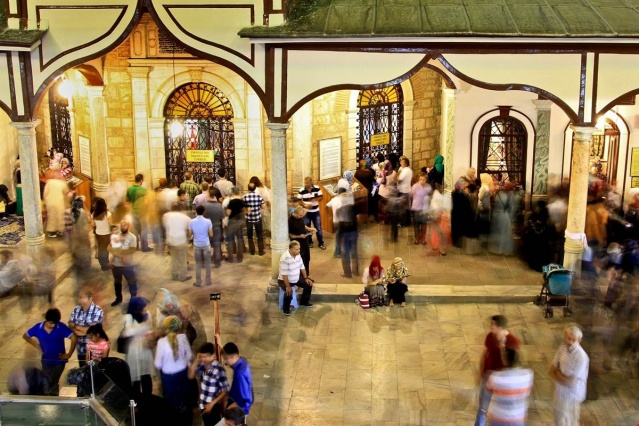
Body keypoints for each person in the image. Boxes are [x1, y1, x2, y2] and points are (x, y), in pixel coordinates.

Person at [475, 315, 521, 426]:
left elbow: (511, 364)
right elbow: (484, 354)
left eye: (492, 325)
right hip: (488, 375)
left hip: (503, 381)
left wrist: (502, 347)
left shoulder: (513, 342)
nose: (490, 327)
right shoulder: (490, 337)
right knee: (482, 408)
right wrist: (480, 372)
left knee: (501, 409)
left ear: (499, 328)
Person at [23, 308, 77, 395]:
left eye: (55, 323)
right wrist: (37, 345)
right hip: (45, 361)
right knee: (46, 382)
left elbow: (73, 338)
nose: (53, 325)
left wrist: (69, 354)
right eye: (51, 323)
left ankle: (54, 398)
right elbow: (26, 336)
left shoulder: (61, 327)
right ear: (46, 320)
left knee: (53, 382)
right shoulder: (38, 328)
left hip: (59, 361)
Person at [155, 315, 194, 425]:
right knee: (184, 398)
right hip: (182, 373)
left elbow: (158, 364)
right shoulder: (182, 338)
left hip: (168, 377)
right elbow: (190, 356)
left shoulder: (161, 343)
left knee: (172, 402)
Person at [549, 326, 589, 426]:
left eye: (573, 340)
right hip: (560, 392)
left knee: (571, 422)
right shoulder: (562, 348)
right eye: (568, 338)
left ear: (579, 340)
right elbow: (550, 370)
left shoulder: (582, 357)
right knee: (559, 420)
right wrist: (562, 377)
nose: (570, 342)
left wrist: (557, 373)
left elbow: (570, 383)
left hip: (572, 396)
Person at [486, 348, 534, 426]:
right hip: (518, 418)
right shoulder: (528, 375)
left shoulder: (495, 377)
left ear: (505, 360)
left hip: (499, 417)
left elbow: (489, 389)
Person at [189, 342, 230, 426]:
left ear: (213, 356)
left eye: (206, 357)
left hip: (213, 407)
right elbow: (191, 375)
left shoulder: (219, 370)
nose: (203, 359)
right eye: (202, 356)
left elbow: (226, 391)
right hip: (203, 405)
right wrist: (197, 360)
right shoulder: (203, 365)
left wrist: (212, 404)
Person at [121, 297, 154, 398]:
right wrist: (142, 329)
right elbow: (127, 333)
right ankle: (137, 400)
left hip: (144, 348)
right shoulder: (128, 317)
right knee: (135, 376)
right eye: (144, 306)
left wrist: (149, 333)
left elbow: (150, 327)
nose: (146, 308)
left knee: (146, 374)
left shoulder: (148, 314)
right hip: (133, 349)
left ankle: (147, 398)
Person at [68, 289, 104, 366]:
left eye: (82, 298)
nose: (80, 301)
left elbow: (93, 330)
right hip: (80, 350)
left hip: (94, 351)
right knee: (83, 374)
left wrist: (76, 326)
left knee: (93, 375)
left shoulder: (98, 310)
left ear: (90, 298)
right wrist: (82, 330)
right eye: (79, 298)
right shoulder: (75, 310)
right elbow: (70, 324)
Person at [278, 241, 314, 316]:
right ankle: (286, 309)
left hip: (296, 278)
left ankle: (304, 302)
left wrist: (306, 278)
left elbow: (302, 267)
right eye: (297, 249)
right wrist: (287, 286)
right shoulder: (285, 258)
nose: (299, 251)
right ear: (291, 249)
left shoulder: (298, 255)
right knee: (288, 292)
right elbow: (284, 274)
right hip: (285, 280)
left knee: (309, 285)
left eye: (299, 249)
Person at [107, 219, 138, 306]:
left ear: (128, 226)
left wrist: (120, 254)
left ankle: (134, 299)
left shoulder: (132, 237)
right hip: (116, 264)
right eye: (121, 225)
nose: (122, 227)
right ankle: (118, 298)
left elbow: (132, 250)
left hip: (127, 265)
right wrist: (111, 260)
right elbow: (109, 248)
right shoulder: (116, 235)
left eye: (124, 225)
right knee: (117, 282)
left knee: (131, 282)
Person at [222, 342, 253, 418]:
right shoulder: (242, 361)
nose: (224, 362)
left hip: (239, 409)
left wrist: (230, 408)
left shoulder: (239, 374)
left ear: (235, 357)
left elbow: (246, 400)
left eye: (226, 359)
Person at [163, 202, 192, 282]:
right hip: (181, 240)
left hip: (171, 240)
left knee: (173, 259)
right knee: (182, 259)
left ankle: (174, 275)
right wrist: (189, 236)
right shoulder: (184, 217)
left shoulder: (166, 216)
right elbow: (190, 227)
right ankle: (183, 276)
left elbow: (166, 227)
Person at [297, 177, 326, 250]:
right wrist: (304, 205)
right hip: (306, 212)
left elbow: (321, 197)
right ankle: (309, 242)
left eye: (307, 183)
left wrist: (315, 199)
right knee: (307, 228)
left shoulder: (317, 188)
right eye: (305, 182)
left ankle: (321, 243)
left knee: (318, 228)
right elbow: (299, 201)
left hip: (316, 211)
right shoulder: (301, 190)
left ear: (311, 182)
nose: (306, 184)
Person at [489, 181, 516, 255]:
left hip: (500, 214)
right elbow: (512, 207)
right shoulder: (503, 193)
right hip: (501, 214)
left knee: (500, 232)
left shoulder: (504, 194)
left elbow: (511, 207)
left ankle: (499, 249)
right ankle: (498, 248)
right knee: (500, 232)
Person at [189, 205, 213, 287]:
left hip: (197, 244)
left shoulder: (191, 222)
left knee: (198, 264)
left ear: (196, 211)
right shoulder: (208, 221)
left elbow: (190, 234)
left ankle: (198, 281)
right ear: (204, 211)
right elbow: (211, 234)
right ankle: (208, 280)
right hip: (206, 244)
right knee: (208, 263)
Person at [326, 187, 354, 258]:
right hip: (343, 222)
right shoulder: (344, 200)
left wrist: (331, 215)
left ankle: (338, 252)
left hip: (335, 221)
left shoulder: (334, 199)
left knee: (338, 237)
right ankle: (342, 252)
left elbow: (326, 206)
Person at [126, 173, 151, 252]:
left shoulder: (129, 189)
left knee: (135, 230)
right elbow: (147, 202)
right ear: (141, 181)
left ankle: (135, 246)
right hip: (142, 213)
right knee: (143, 230)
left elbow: (127, 201)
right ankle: (144, 247)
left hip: (133, 212)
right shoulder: (143, 190)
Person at [288, 206, 315, 274]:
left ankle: (306, 276)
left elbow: (303, 225)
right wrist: (299, 236)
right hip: (298, 244)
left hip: (305, 241)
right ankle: (301, 277)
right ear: (295, 213)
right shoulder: (290, 221)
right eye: (300, 215)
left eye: (302, 215)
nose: (301, 217)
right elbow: (290, 235)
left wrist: (309, 229)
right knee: (301, 260)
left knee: (307, 259)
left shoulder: (300, 217)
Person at [202, 188, 225, 268]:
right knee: (217, 245)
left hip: (205, 228)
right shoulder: (219, 206)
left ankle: (204, 262)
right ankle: (217, 262)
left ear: (209, 195)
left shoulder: (203, 205)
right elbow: (222, 217)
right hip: (216, 227)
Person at [242, 182, 266, 256]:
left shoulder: (244, 197)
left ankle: (252, 251)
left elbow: (242, 207)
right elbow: (263, 207)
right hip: (257, 218)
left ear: (248, 188)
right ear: (255, 188)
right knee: (259, 235)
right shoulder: (259, 196)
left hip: (249, 218)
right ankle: (260, 251)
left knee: (249, 235)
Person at [338, 202, 359, 279]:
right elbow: (357, 219)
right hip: (354, 232)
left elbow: (339, 225)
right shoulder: (353, 208)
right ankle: (355, 271)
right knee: (354, 252)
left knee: (345, 254)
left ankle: (347, 273)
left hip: (345, 234)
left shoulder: (339, 210)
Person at [410, 173, 432, 245]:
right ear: (418, 180)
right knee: (416, 224)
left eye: (424, 179)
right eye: (420, 179)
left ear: (426, 180)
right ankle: (416, 238)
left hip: (425, 208)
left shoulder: (428, 187)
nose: (422, 181)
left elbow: (430, 196)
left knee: (424, 225)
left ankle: (423, 239)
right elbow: (411, 195)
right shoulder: (415, 186)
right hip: (417, 208)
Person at [43, 174, 67, 238]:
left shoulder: (49, 182)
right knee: (60, 216)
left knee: (52, 216)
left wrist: (45, 202)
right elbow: (65, 192)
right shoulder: (62, 183)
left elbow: (45, 193)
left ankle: (52, 232)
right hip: (59, 201)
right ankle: (60, 230)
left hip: (50, 201)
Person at [91, 198, 112, 271]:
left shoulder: (93, 214)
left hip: (98, 234)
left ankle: (103, 263)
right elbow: (111, 224)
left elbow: (93, 224)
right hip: (106, 234)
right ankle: (105, 264)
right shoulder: (107, 213)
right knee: (106, 249)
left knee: (101, 248)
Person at [225, 187, 246, 263]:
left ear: (233, 192)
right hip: (239, 221)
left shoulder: (231, 202)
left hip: (232, 221)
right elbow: (245, 211)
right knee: (240, 239)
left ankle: (230, 258)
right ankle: (240, 258)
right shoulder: (242, 201)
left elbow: (228, 213)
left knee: (230, 240)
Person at [397, 156, 413, 227]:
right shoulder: (409, 170)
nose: (400, 163)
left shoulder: (405, 170)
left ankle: (403, 223)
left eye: (402, 162)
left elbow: (399, 179)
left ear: (406, 163)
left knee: (403, 208)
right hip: (407, 190)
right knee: (407, 208)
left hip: (403, 190)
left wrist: (397, 175)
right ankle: (408, 222)